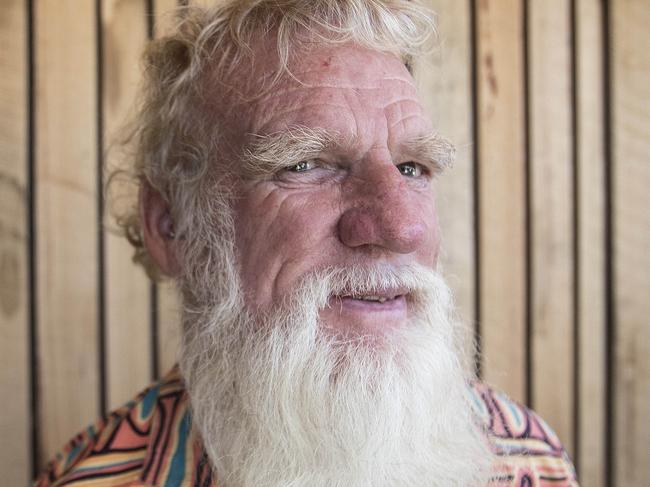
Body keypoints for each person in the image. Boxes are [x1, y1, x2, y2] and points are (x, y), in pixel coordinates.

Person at [35, 1, 578, 486]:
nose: (401, 227)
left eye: (413, 166)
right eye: (306, 164)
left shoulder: (529, 463)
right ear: (172, 227)